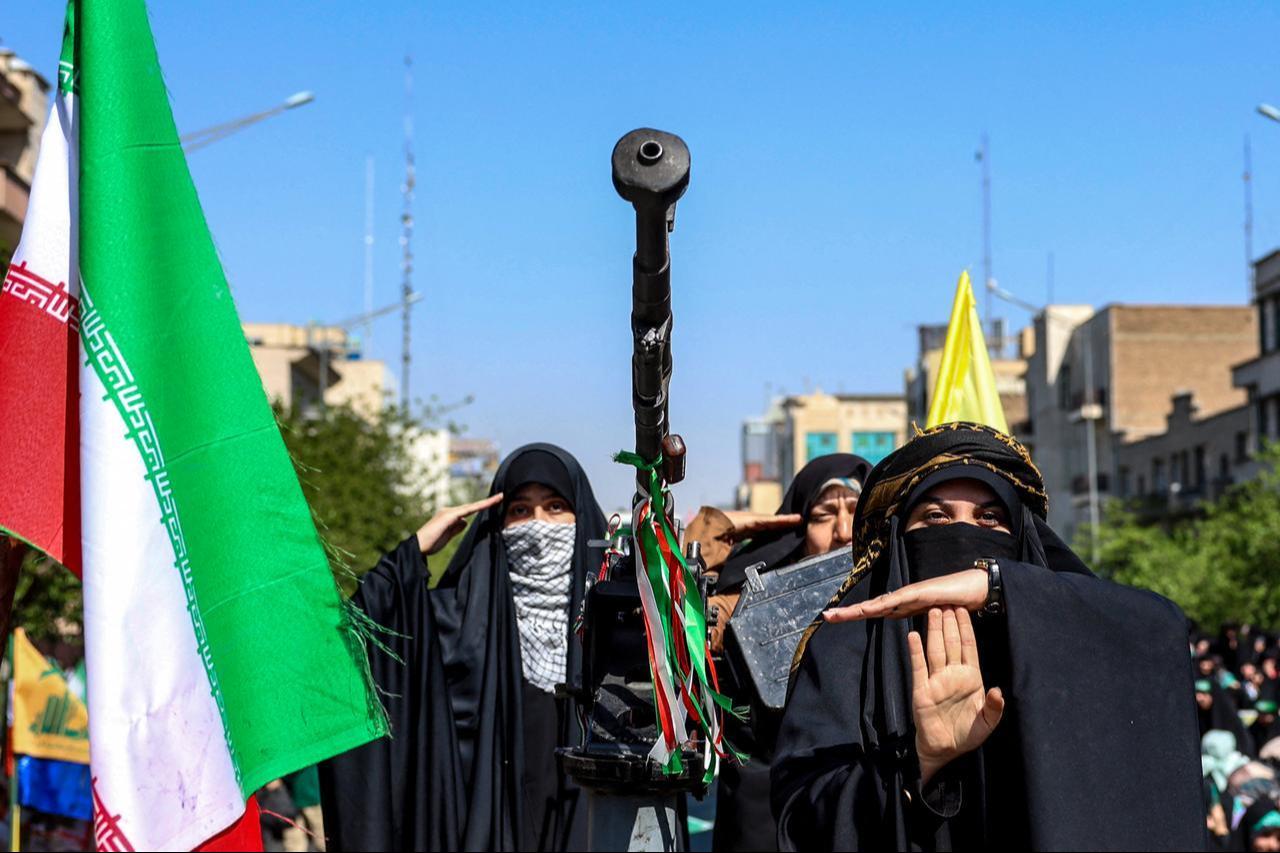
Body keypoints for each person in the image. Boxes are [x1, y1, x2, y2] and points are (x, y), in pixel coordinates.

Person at [771, 422, 1204, 850]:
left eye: (989, 519)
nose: (964, 536)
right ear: (899, 538)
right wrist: (921, 761)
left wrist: (999, 586)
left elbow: (1158, 629)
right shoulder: (844, 650)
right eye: (936, 517)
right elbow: (800, 822)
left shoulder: (1066, 641)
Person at [319, 444, 606, 852]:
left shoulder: (616, 626)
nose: (538, 527)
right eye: (520, 511)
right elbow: (353, 639)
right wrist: (413, 551)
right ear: (498, 522)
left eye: (556, 507)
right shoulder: (460, 619)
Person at [710, 454, 871, 853]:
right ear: (796, 528)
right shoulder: (749, 607)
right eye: (823, 515)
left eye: (857, 511)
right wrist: (717, 530)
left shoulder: (902, 598)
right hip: (761, 811)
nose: (843, 531)